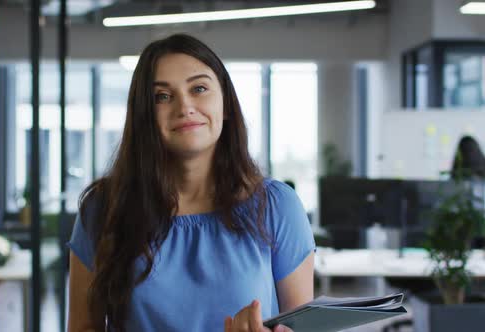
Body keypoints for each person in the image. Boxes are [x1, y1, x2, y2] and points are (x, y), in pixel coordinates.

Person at [67, 34, 315, 332]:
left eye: (199, 88)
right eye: (162, 96)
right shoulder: (103, 207)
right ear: (144, 115)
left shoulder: (277, 205)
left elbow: (304, 328)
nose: (184, 107)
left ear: (225, 106)